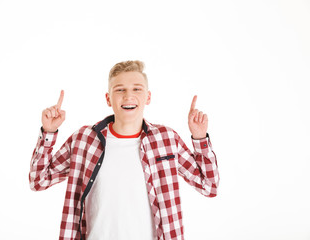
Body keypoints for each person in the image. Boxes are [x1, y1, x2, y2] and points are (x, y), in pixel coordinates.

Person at [29, 60, 220, 240]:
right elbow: (38, 181)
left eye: (137, 89)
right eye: (120, 90)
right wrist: (49, 131)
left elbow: (209, 186)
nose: (128, 96)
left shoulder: (166, 139)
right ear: (108, 98)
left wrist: (199, 137)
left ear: (148, 96)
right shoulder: (83, 139)